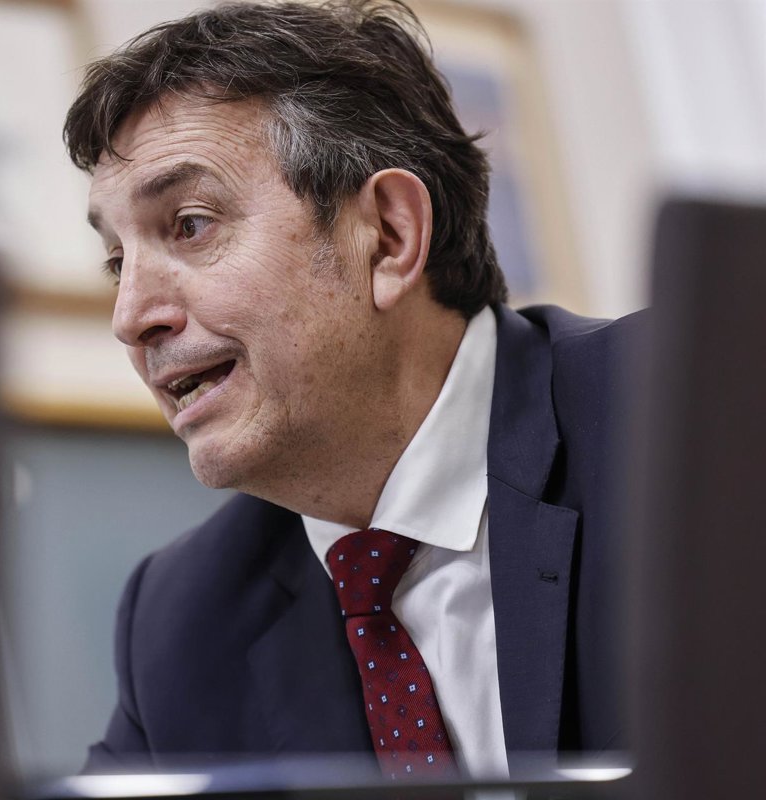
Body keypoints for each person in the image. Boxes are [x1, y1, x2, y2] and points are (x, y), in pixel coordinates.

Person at [63, 0, 637, 780]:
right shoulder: (182, 619)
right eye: (116, 264)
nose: (130, 318)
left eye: (190, 224)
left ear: (389, 236)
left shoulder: (687, 420)